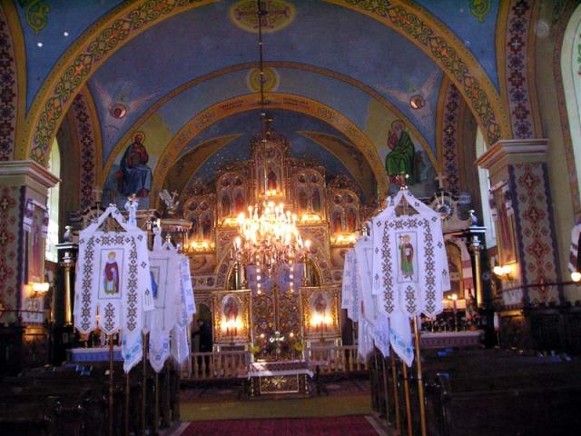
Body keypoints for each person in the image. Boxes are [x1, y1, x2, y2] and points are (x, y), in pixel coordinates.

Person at [117, 131, 153, 197]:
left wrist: (141, 153)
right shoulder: (131, 147)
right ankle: (136, 191)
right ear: (135, 138)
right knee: (138, 173)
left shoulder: (142, 148)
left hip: (140, 165)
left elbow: (145, 159)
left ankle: (145, 189)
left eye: (140, 139)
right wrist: (131, 157)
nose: (138, 140)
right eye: (137, 138)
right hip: (131, 166)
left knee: (148, 170)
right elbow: (126, 158)